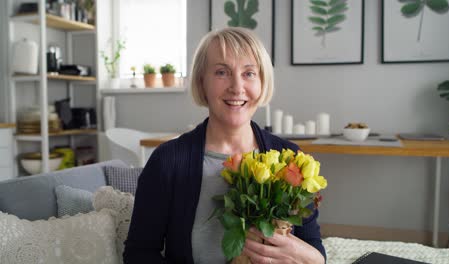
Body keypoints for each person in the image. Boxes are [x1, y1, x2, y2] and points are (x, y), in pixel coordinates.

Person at [123, 27, 326, 264]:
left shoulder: (291, 160)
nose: (237, 87)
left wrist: (313, 259)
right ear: (202, 82)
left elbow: (314, 250)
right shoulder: (167, 161)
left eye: (249, 73)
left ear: (262, 82)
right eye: (222, 72)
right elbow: (138, 254)